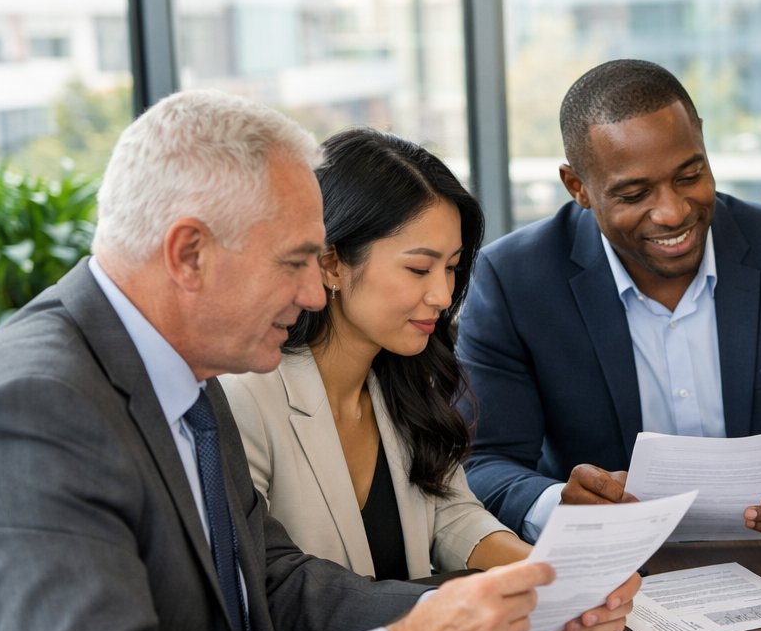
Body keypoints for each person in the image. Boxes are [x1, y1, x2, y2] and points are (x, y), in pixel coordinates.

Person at [0, 91, 633, 631]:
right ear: (189, 252)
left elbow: (274, 580)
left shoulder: (183, 375)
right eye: (296, 261)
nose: (311, 292)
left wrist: (495, 617)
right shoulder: (40, 401)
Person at [455, 58, 761, 553]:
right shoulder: (513, 281)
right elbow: (484, 463)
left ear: (702, 144)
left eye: (689, 175)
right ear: (578, 188)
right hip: (615, 575)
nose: (673, 212)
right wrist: (556, 505)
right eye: (634, 193)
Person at [223, 128, 531, 580]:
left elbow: (452, 515)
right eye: (419, 269)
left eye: (451, 267)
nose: (444, 295)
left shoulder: (403, 375)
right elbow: (269, 584)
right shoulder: (244, 398)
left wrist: (549, 572)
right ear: (331, 263)